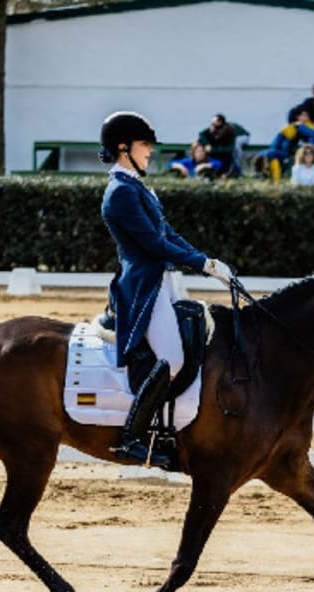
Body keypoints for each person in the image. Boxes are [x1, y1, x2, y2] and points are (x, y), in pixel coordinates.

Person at [97, 111, 234, 467]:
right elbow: (153, 246)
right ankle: (130, 438)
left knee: (197, 343)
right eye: (144, 145)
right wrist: (201, 264)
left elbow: (168, 235)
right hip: (143, 285)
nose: (150, 152)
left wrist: (206, 260)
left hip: (165, 280)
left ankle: (170, 426)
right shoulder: (121, 193)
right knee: (171, 359)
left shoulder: (138, 187)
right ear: (123, 147)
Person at [258, 109, 314, 183]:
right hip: (279, 151)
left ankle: (275, 181)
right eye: (303, 115)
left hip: (284, 152)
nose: (305, 118)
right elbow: (276, 143)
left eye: (307, 116)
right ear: (297, 117)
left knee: (270, 154)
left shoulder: (303, 126)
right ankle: (272, 179)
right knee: (266, 154)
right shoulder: (292, 127)